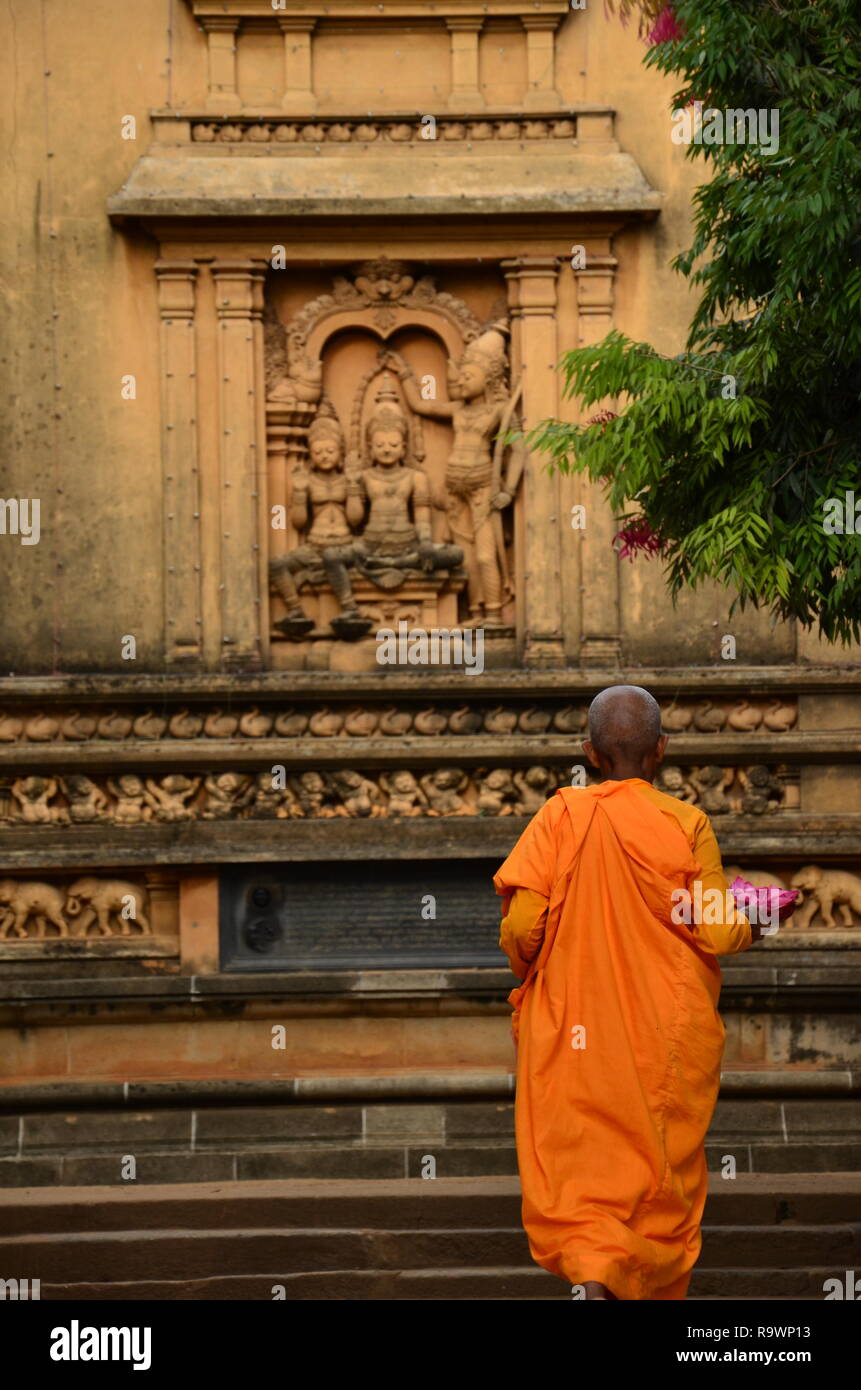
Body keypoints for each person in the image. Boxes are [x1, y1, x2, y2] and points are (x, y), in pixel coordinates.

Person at [494, 684, 779, 1301]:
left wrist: (541, 966)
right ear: (661, 751)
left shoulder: (559, 815)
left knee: (583, 1169)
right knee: (651, 1165)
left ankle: (595, 1275)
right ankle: (618, 1275)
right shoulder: (685, 823)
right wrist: (763, 918)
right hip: (659, 1035)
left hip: (572, 1030)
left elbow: (522, 928)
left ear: (589, 753)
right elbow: (721, 929)